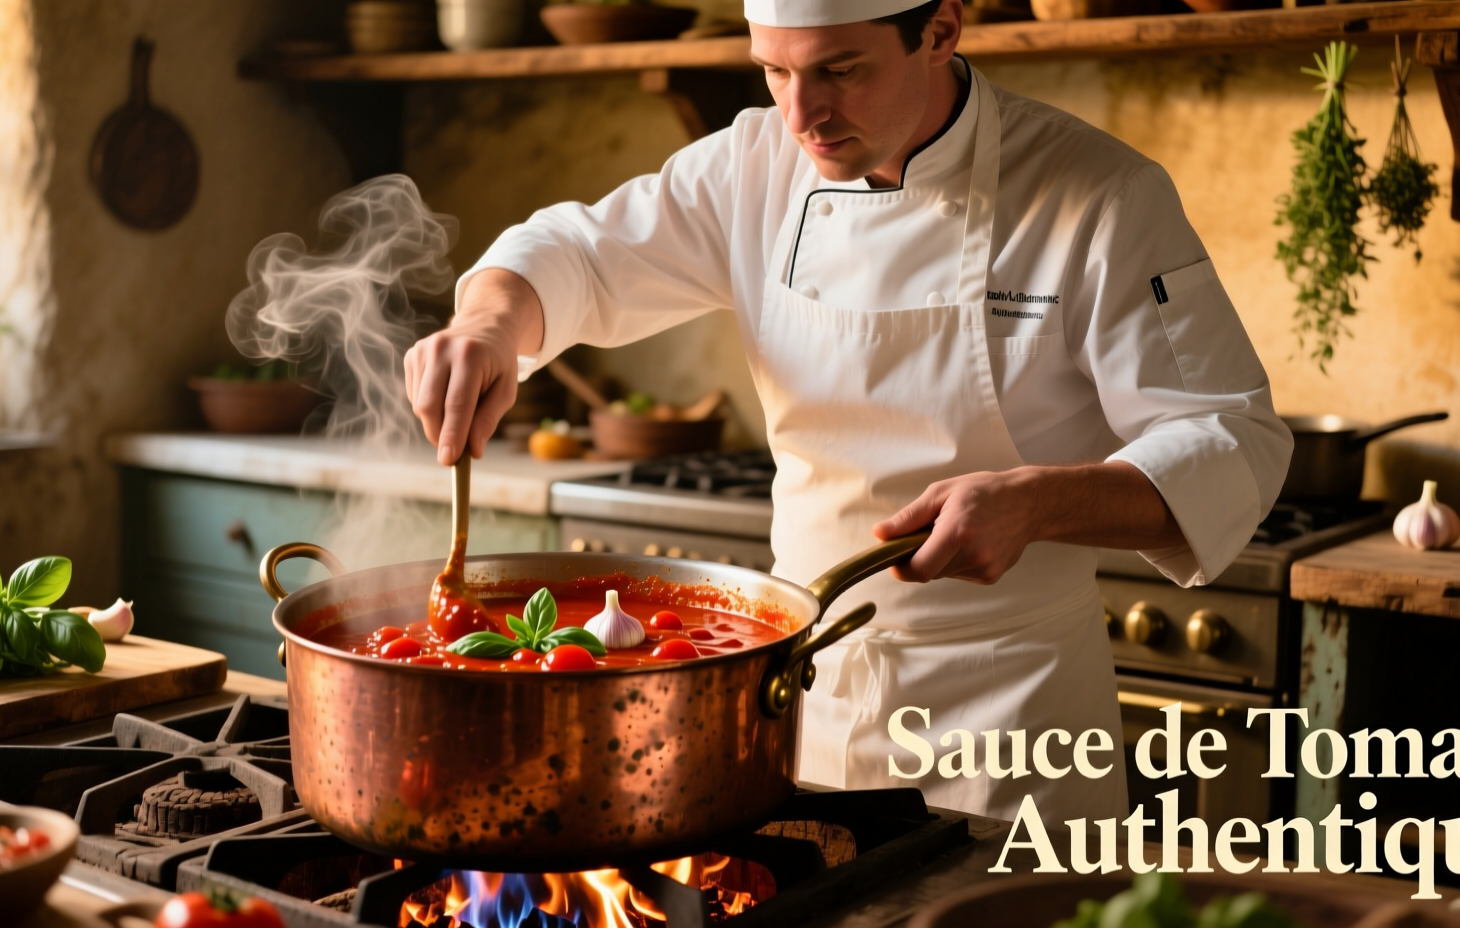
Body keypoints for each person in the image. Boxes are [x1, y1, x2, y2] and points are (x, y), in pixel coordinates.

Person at [403, 0, 1293, 822]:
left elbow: (1232, 439)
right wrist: (486, 323)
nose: (802, 116)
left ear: (940, 30)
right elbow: (578, 254)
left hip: (1013, 726)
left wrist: (1037, 502)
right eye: (775, 73)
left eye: (839, 71)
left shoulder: (1097, 193)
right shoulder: (751, 167)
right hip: (800, 702)